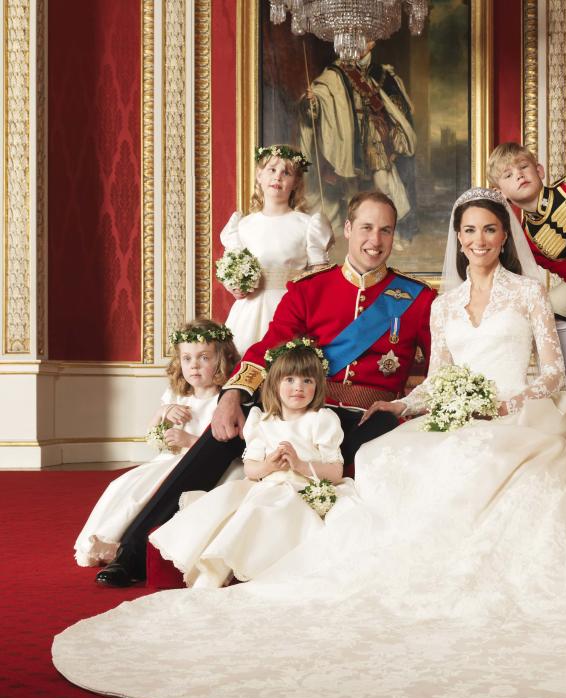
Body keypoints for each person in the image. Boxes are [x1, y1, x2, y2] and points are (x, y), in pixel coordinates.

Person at [55, 190, 566, 698]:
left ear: (501, 236)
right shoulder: (379, 297)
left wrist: (486, 402)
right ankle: (156, 546)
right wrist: (392, 403)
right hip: (370, 402)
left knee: (442, 460)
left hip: (508, 414)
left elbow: (544, 374)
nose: (476, 242)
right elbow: (421, 375)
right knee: (383, 456)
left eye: (488, 232)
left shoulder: (488, 296)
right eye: (465, 233)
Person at [94, 191, 434, 587]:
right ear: (347, 229)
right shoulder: (310, 289)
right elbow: (266, 350)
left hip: (365, 419)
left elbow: (440, 366)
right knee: (223, 433)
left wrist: (406, 406)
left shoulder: (417, 299)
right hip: (299, 405)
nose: (374, 240)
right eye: (366, 228)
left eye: (385, 230)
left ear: (394, 236)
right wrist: (232, 396)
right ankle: (134, 552)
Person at [149, 340, 346, 588]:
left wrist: (300, 465)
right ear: (274, 384)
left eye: (307, 381)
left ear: (317, 385)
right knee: (226, 506)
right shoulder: (261, 420)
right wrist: (270, 465)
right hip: (267, 483)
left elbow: (336, 471)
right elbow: (252, 469)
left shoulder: (322, 420)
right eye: (290, 380)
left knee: (266, 510)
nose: (298, 387)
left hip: (303, 488)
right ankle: (212, 570)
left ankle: (243, 569)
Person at [74, 320, 240, 567]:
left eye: (204, 357)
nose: (194, 365)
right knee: (123, 485)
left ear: (222, 359)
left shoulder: (224, 400)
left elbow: (221, 448)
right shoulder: (177, 396)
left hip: (199, 465)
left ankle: (122, 546)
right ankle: (107, 538)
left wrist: (188, 440)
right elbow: (154, 436)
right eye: (186, 358)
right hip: (168, 459)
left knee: (152, 490)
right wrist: (163, 413)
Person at [489, 142, 566, 412]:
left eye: (523, 168)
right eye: (508, 175)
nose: (519, 176)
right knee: (552, 306)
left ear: (540, 170)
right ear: (500, 193)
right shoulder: (530, 238)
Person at [220, 144, 334, 355]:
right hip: (250, 310)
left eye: (286, 172)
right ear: (259, 176)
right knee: (245, 362)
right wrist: (235, 286)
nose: (278, 177)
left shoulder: (308, 224)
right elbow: (232, 267)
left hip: (290, 309)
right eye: (272, 170)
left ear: (296, 182)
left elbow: (320, 277)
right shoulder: (243, 226)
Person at [299, 45, 417, 239]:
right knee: (350, 190)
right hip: (348, 138)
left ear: (372, 43)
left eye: (367, 39)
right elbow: (322, 95)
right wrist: (313, 101)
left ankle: (389, 232)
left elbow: (394, 105)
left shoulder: (382, 73)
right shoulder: (335, 73)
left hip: (374, 134)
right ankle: (354, 234)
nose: (361, 44)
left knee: (384, 183)